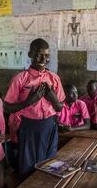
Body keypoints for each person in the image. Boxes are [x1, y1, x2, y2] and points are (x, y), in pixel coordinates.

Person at [4, 38, 65, 175]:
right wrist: (28, 102)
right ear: (30, 54)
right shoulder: (20, 79)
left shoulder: (54, 78)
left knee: (49, 164)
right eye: (39, 54)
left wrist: (54, 100)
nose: (44, 59)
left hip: (49, 126)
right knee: (28, 165)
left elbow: (60, 107)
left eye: (47, 55)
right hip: (29, 126)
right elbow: (7, 108)